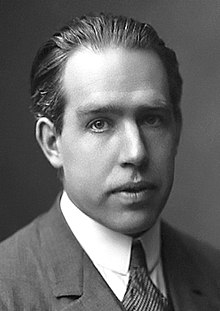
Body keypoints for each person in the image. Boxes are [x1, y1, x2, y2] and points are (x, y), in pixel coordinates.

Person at [0, 13, 219, 310]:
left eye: (152, 119)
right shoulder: (7, 289)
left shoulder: (213, 273)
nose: (136, 153)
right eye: (100, 123)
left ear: (176, 129)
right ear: (52, 143)